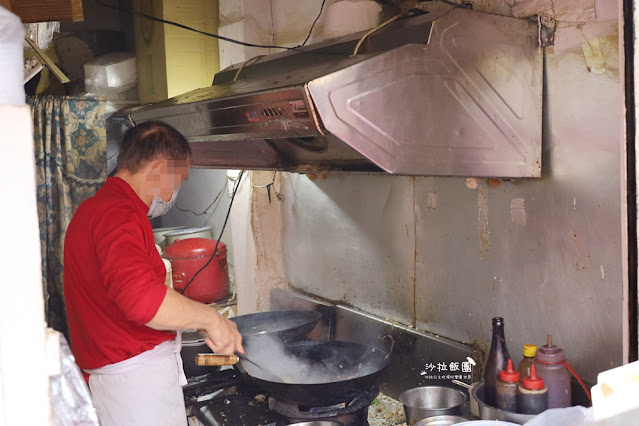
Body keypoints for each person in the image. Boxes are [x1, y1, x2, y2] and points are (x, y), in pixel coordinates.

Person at [63, 121, 243, 426]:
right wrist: (210, 319)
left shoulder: (95, 210)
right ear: (159, 169)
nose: (175, 191)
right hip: (136, 390)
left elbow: (129, 293)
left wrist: (192, 318)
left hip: (125, 384)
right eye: (178, 179)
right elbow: (141, 301)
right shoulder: (118, 215)